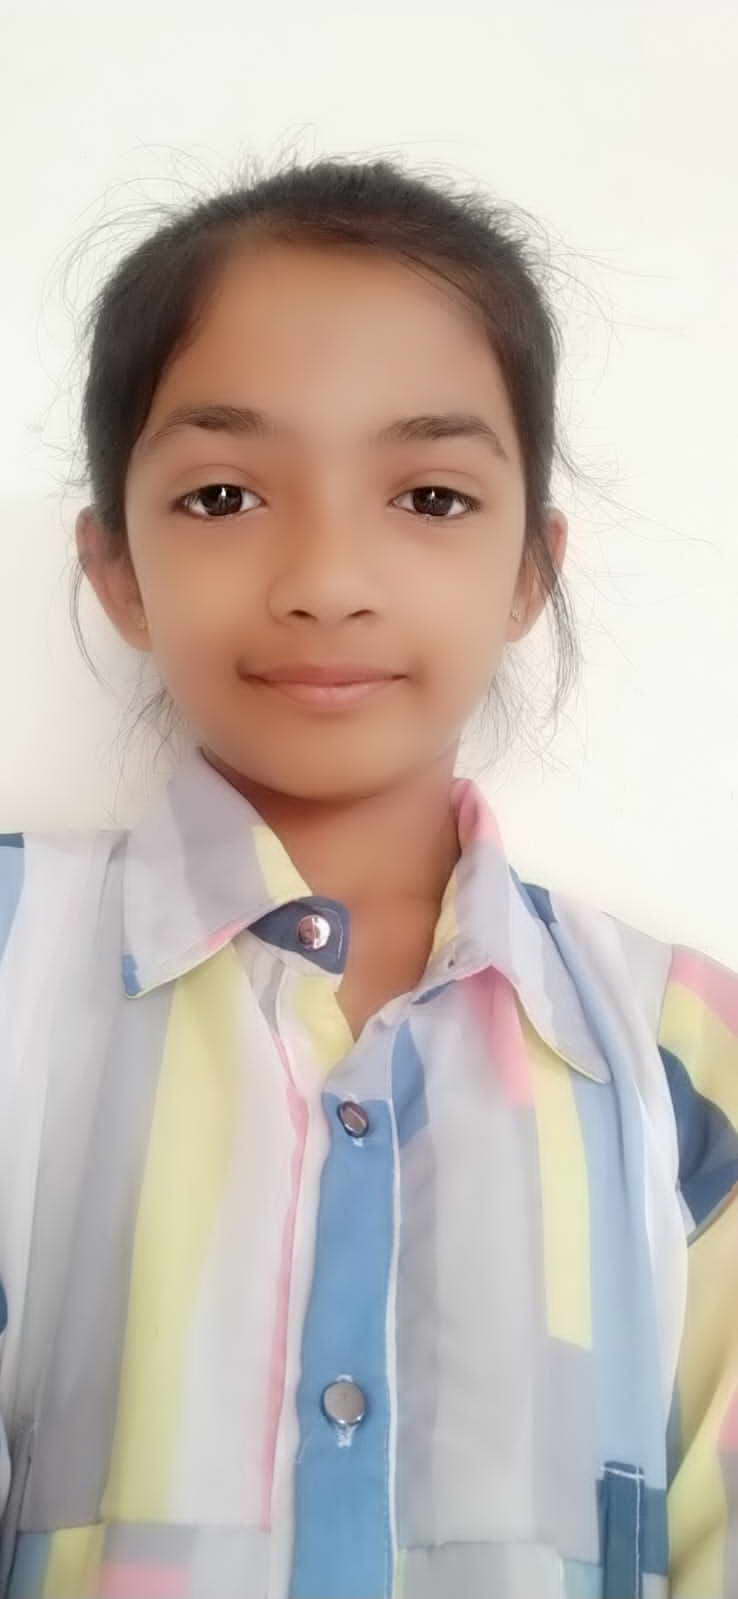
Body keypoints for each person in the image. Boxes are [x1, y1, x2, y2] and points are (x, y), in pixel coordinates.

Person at [0, 154, 736, 1599]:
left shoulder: (685, 1055)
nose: (327, 580)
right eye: (223, 494)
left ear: (530, 570)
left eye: (431, 496)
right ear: (117, 569)